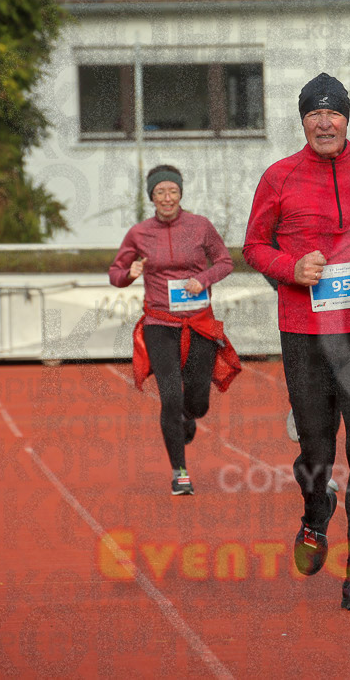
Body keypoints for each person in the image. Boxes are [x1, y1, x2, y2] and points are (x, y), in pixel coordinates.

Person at [243, 73, 350, 611]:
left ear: (347, 118)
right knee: (316, 452)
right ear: (302, 121)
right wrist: (291, 267)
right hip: (305, 335)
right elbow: (253, 245)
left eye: (334, 113)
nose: (325, 122)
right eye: (314, 114)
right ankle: (316, 514)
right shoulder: (279, 176)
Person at [109, 164, 241, 496]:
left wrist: (204, 280)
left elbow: (225, 262)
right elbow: (115, 273)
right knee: (169, 396)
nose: (167, 198)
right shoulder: (139, 233)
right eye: (160, 192)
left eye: (172, 191)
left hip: (198, 322)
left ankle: (189, 416)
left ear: (181, 194)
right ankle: (179, 472)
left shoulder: (200, 227)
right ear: (151, 197)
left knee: (196, 401)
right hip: (160, 324)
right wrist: (131, 272)